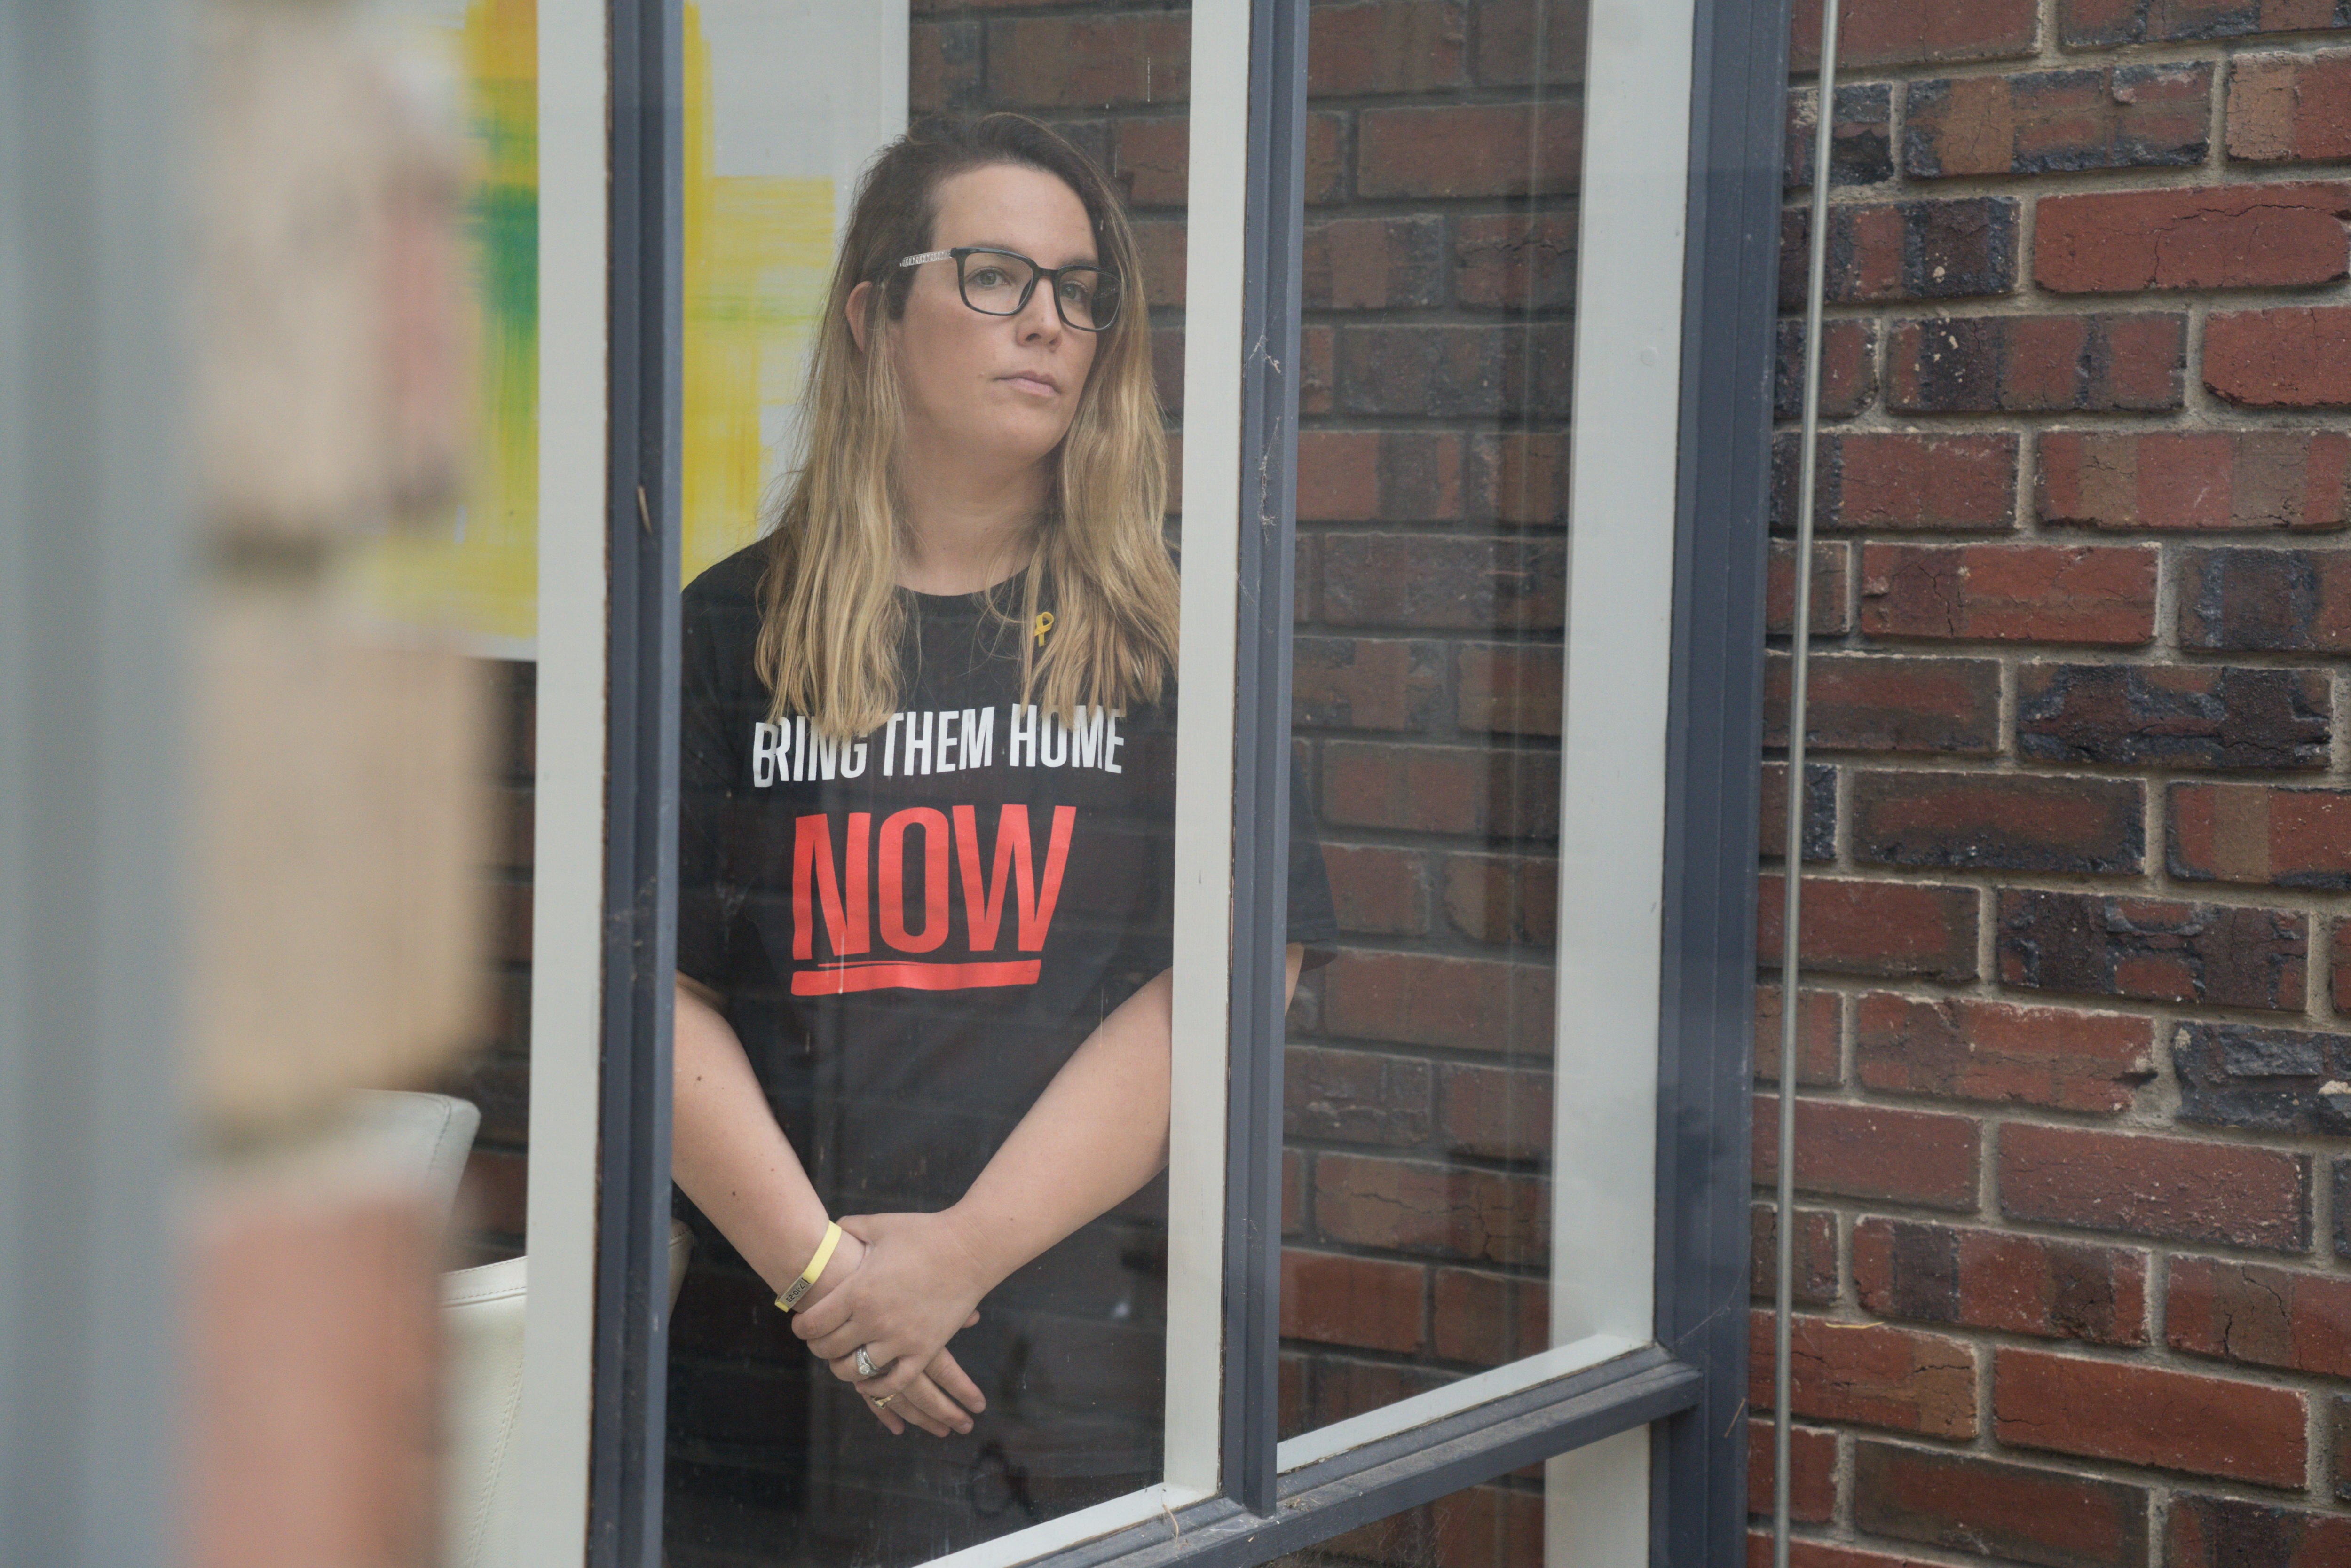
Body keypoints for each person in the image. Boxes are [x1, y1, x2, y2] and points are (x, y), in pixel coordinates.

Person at [668, 113, 1337, 1566]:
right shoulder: (725, 632)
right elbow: (656, 992)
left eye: (1079, 292)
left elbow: (1232, 981)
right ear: (873, 318)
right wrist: (831, 1284)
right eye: (993, 276)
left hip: (1064, 1385)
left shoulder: (1176, 641)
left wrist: (959, 1257)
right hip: (764, 1393)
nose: (1047, 321)